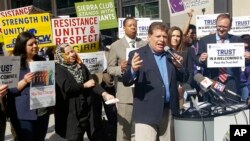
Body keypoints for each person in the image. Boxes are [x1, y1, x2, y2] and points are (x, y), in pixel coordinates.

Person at [122, 22, 187, 141]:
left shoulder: (171, 55)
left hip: (168, 111)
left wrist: (179, 67)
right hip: (147, 112)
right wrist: (133, 70)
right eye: (158, 36)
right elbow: (126, 81)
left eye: (164, 37)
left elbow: (184, 78)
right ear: (149, 37)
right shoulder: (137, 54)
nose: (162, 40)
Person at [54, 43, 115, 141]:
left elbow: (92, 82)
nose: (72, 54)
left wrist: (105, 94)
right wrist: (84, 85)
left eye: (72, 51)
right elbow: (68, 88)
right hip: (72, 114)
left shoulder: (80, 66)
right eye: (68, 53)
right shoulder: (58, 69)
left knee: (96, 136)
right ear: (61, 56)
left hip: (88, 110)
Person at [107, 17, 147, 141]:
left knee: (144, 128)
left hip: (143, 91)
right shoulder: (115, 46)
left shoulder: (144, 44)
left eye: (135, 25)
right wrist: (121, 68)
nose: (133, 27)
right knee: (124, 129)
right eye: (130, 25)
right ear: (124, 28)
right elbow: (110, 69)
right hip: (126, 93)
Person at [7, 31, 50, 141]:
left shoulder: (42, 60)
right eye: (31, 44)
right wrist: (25, 81)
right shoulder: (11, 62)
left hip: (42, 110)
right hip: (23, 112)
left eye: (35, 43)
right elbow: (10, 90)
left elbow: (49, 83)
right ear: (22, 46)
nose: (35, 46)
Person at [197, 13, 247, 102]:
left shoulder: (237, 40)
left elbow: (242, 62)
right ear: (215, 24)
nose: (221, 29)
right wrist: (201, 59)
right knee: (214, 109)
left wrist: (247, 57)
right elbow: (197, 60)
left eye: (224, 27)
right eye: (219, 26)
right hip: (212, 80)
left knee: (233, 110)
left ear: (230, 27)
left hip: (231, 82)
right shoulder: (205, 40)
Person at [167, 26, 194, 109]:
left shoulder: (187, 51)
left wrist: (186, 85)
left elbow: (190, 71)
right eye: (173, 36)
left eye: (178, 36)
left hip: (183, 87)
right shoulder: (164, 52)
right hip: (169, 89)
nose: (175, 38)